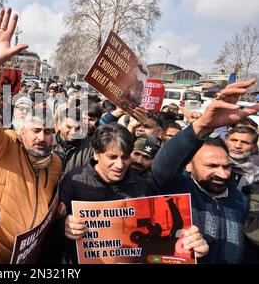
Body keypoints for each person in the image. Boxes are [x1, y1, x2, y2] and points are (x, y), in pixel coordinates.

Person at [0, 8, 62, 264]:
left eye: (48, 132)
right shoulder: (4, 146)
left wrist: (56, 212)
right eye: (36, 131)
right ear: (21, 131)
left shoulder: (55, 164)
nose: (42, 137)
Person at [58, 124, 208, 263]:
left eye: (125, 157)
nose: (119, 165)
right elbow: (52, 230)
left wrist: (188, 241)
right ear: (96, 154)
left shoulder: (142, 187)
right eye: (112, 157)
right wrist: (64, 227)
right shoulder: (74, 181)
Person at [149, 78, 259, 263]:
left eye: (227, 166)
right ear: (188, 165)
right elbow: (163, 165)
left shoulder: (240, 201)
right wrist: (202, 126)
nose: (223, 174)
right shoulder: (176, 189)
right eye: (211, 166)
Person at [224, 126, 259, 193]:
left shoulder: (256, 175)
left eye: (245, 142)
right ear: (225, 141)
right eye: (234, 140)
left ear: (254, 148)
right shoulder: (208, 164)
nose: (237, 146)